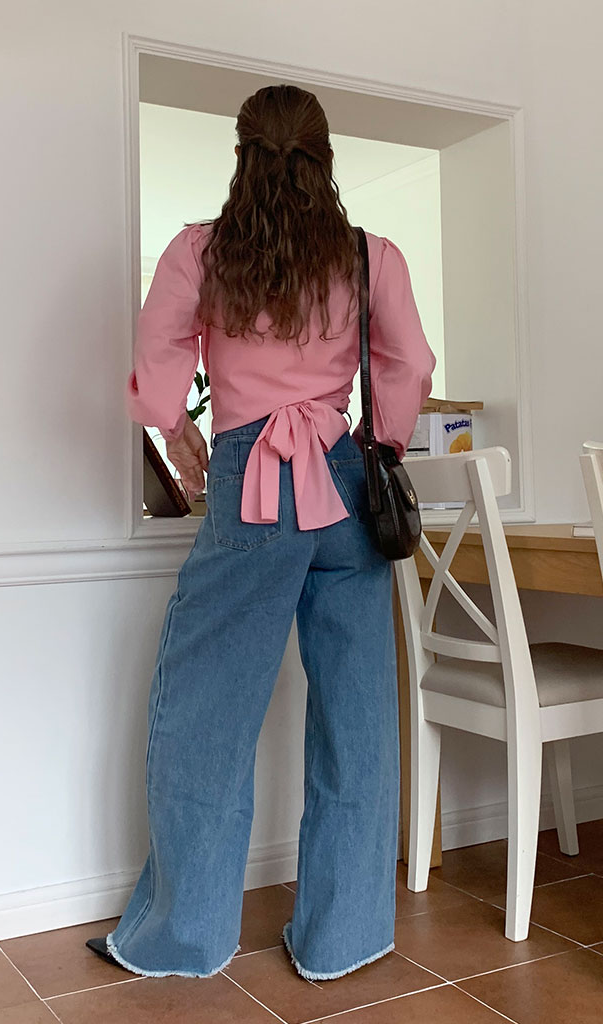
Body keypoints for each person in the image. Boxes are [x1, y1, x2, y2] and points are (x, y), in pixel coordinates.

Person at [87, 83, 435, 982]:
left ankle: (189, 936)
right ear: (326, 158)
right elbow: (410, 364)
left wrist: (180, 430)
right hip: (345, 485)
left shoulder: (203, 252)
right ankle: (342, 937)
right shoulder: (369, 256)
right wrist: (382, 441)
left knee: (207, 711)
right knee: (357, 715)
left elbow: (157, 369)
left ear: (243, 156)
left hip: (251, 483)